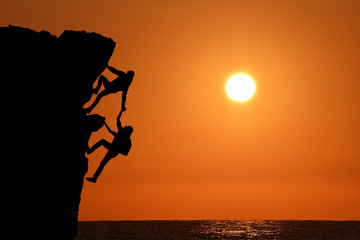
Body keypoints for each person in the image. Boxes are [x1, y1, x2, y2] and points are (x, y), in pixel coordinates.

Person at [86, 110, 133, 183]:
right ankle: (94, 178)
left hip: (114, 151)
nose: (124, 127)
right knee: (103, 161)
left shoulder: (127, 140)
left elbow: (125, 153)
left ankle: (90, 151)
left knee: (103, 160)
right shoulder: (121, 133)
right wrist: (120, 111)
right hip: (112, 148)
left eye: (126, 128)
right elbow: (113, 126)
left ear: (127, 131)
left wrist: (118, 148)